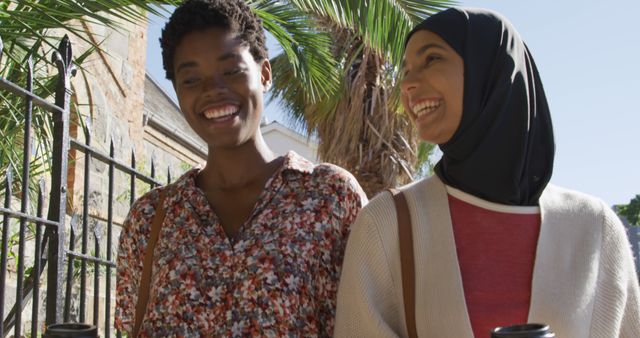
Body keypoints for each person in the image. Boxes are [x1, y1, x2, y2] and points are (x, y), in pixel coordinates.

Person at [334, 7, 640, 338]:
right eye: (405, 70)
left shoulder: (594, 227)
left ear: (490, 69)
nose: (407, 83)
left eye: (431, 59)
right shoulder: (387, 224)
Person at [114, 0, 366, 336]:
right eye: (191, 79)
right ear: (176, 90)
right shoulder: (150, 219)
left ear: (264, 74)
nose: (213, 90)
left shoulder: (330, 198)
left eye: (231, 71)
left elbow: (369, 322)